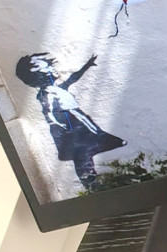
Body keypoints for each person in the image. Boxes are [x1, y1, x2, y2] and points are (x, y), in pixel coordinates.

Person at [13, 52, 127, 191]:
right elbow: (49, 112)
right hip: (69, 126)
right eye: (47, 67)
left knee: (86, 149)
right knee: (81, 153)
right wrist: (62, 125)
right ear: (39, 74)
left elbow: (73, 78)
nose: (52, 68)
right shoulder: (46, 94)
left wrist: (87, 65)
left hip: (77, 120)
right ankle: (90, 181)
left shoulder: (57, 88)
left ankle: (91, 179)